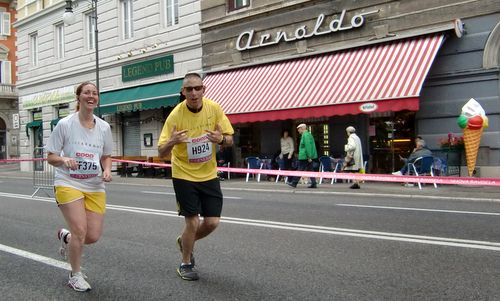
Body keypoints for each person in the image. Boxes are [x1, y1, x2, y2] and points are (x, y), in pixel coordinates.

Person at [158, 72, 234, 281]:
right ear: (183, 92)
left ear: (203, 90)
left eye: (197, 88)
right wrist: (172, 141)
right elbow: (161, 153)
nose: (193, 93)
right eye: (188, 89)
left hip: (208, 173)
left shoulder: (214, 109)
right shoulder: (175, 116)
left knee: (212, 222)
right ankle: (185, 262)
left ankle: (185, 241)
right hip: (183, 173)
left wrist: (220, 139)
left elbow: (229, 139)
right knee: (192, 222)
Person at [46, 81, 113, 292]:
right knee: (81, 231)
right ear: (79, 97)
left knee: (92, 236)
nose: (91, 96)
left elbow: (107, 155)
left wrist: (108, 170)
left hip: (94, 185)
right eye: (86, 93)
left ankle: (67, 237)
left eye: (94, 93)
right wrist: (64, 160)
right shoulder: (65, 124)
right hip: (68, 182)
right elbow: (50, 156)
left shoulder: (104, 127)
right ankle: (75, 275)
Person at [287, 123, 318, 188]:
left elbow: (308, 147)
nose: (298, 130)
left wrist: (309, 156)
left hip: (305, 156)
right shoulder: (308, 134)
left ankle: (294, 183)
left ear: (302, 128)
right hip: (307, 156)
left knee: (300, 169)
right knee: (310, 170)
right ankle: (314, 183)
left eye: (299, 129)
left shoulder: (305, 135)